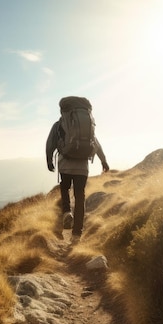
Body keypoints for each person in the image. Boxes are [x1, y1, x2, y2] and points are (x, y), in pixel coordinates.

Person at [45, 104, 109, 243]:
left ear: (62, 111)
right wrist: (104, 161)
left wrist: (49, 160)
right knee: (80, 197)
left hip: (65, 166)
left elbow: (50, 143)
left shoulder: (59, 125)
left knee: (65, 187)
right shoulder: (86, 127)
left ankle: (67, 211)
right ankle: (76, 234)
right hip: (82, 167)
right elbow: (96, 144)